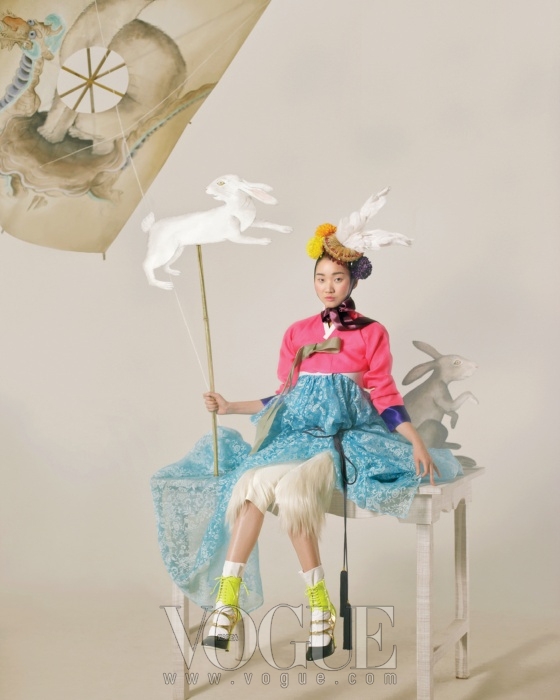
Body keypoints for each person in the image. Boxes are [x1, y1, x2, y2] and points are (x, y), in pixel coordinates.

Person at [190, 219, 461, 660]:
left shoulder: (371, 332)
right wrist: (229, 406)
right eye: (320, 278)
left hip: (343, 438)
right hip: (297, 436)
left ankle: (319, 609)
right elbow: (285, 397)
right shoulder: (297, 333)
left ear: (353, 280)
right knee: (252, 485)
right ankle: (227, 600)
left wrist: (414, 440)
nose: (328, 287)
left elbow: (385, 396)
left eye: (337, 278)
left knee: (295, 493)